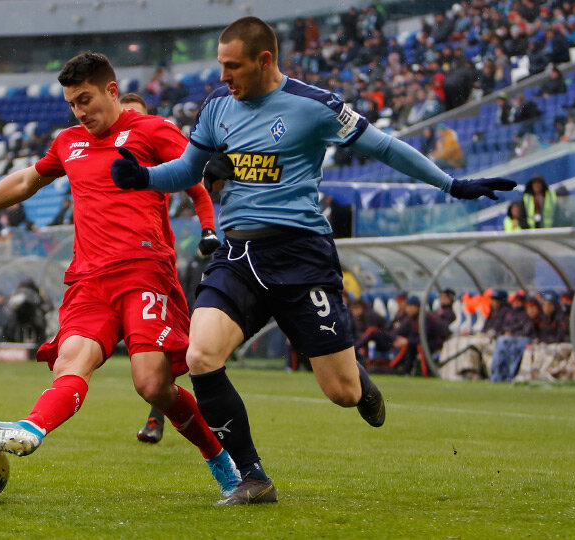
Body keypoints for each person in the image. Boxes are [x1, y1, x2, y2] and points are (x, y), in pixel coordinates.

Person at [110, 16, 515, 504]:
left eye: (233, 66)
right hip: (238, 254)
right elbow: (187, 170)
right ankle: (253, 478)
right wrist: (145, 178)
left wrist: (451, 184)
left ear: (265, 61)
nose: (223, 77)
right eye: (221, 66)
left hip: (302, 256)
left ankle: (358, 382)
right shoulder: (218, 106)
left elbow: (384, 147)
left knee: (340, 392)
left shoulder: (315, 106)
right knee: (201, 355)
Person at [0, 51, 241, 502]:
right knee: (71, 362)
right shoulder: (69, 141)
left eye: (85, 99)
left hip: (143, 272)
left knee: (151, 384)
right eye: (71, 103)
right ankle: (31, 429)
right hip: (88, 279)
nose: (79, 112)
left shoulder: (150, 129)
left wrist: (211, 212)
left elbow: (195, 173)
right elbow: (28, 180)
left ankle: (220, 458)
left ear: (112, 90)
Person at [121, 90, 223, 444]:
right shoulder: (103, 155)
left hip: (153, 262)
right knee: (156, 347)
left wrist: (209, 229)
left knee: (166, 344)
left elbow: (197, 189)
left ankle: (174, 412)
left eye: (137, 116)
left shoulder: (158, 159)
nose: (131, 123)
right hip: (113, 266)